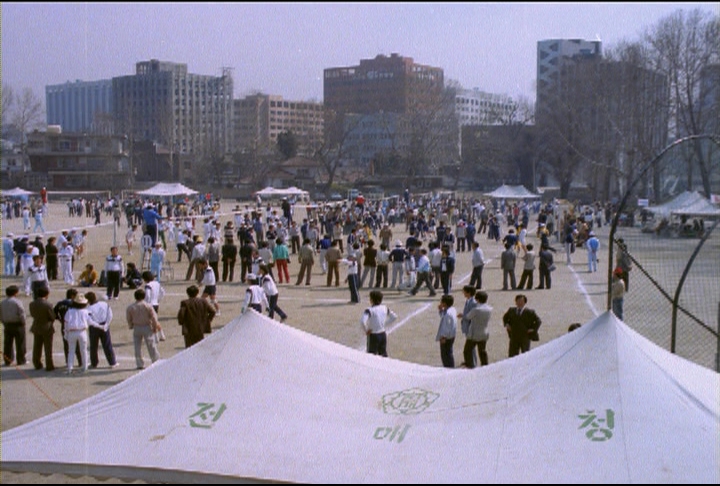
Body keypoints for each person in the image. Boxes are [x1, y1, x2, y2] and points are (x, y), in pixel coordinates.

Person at [126, 288, 160, 370]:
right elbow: (154, 318)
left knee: (137, 346)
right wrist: (155, 327)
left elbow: (128, 318)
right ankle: (155, 360)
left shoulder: (130, 307)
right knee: (151, 345)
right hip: (146, 327)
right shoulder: (148, 306)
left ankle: (139, 363)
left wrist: (130, 325)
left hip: (137, 327)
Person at [85, 291, 118, 369]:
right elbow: (110, 315)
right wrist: (106, 324)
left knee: (93, 346)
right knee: (107, 344)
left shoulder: (88, 309)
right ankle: (112, 362)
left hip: (94, 327)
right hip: (104, 325)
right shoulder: (104, 304)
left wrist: (99, 326)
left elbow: (90, 321)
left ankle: (94, 363)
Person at [360, 290, 397, 357]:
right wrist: (383, 324)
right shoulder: (385, 308)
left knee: (371, 356)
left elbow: (363, 321)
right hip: (383, 334)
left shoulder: (369, 310)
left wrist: (366, 330)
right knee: (383, 354)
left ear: (371, 300)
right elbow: (394, 317)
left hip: (373, 335)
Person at [63, 293, 92, 374]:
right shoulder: (85, 311)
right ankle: (85, 366)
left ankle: (70, 367)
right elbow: (89, 321)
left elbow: (66, 323)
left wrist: (65, 333)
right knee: (84, 350)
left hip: (72, 332)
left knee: (71, 351)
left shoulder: (69, 311)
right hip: (82, 331)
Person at [29, 286, 56, 371]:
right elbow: (52, 317)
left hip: (36, 326)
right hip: (47, 327)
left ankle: (37, 363)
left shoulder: (32, 304)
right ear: (46, 294)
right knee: (48, 348)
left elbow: (33, 314)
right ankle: (49, 365)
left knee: (37, 346)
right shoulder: (48, 305)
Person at [464, 290, 492, 367]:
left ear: (477, 299)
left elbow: (468, 317)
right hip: (484, 332)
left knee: (467, 351)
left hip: (474, 333)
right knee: (482, 351)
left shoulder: (476, 309)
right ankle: (485, 365)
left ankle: (470, 365)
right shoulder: (489, 309)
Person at [1, 285, 27, 366]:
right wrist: (23, 322)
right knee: (20, 343)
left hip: (7, 325)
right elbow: (21, 314)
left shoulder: (2, 303)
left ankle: (8, 360)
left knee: (7, 344)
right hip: (18, 325)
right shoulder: (17, 302)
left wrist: (4, 322)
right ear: (15, 293)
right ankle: (21, 360)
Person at [457, 285, 478, 367]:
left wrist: (463, 316)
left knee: (470, 347)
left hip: (470, 327)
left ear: (468, 293)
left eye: (464, 291)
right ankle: (469, 361)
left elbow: (471, 315)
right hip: (467, 326)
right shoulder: (468, 301)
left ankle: (472, 363)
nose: (463, 293)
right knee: (470, 347)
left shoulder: (473, 302)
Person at [436, 294, 457, 368]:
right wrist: (441, 310)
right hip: (451, 335)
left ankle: (449, 368)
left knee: (446, 355)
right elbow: (443, 315)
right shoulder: (452, 309)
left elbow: (446, 327)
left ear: (444, 303)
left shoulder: (448, 314)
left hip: (447, 337)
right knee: (448, 353)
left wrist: (443, 337)